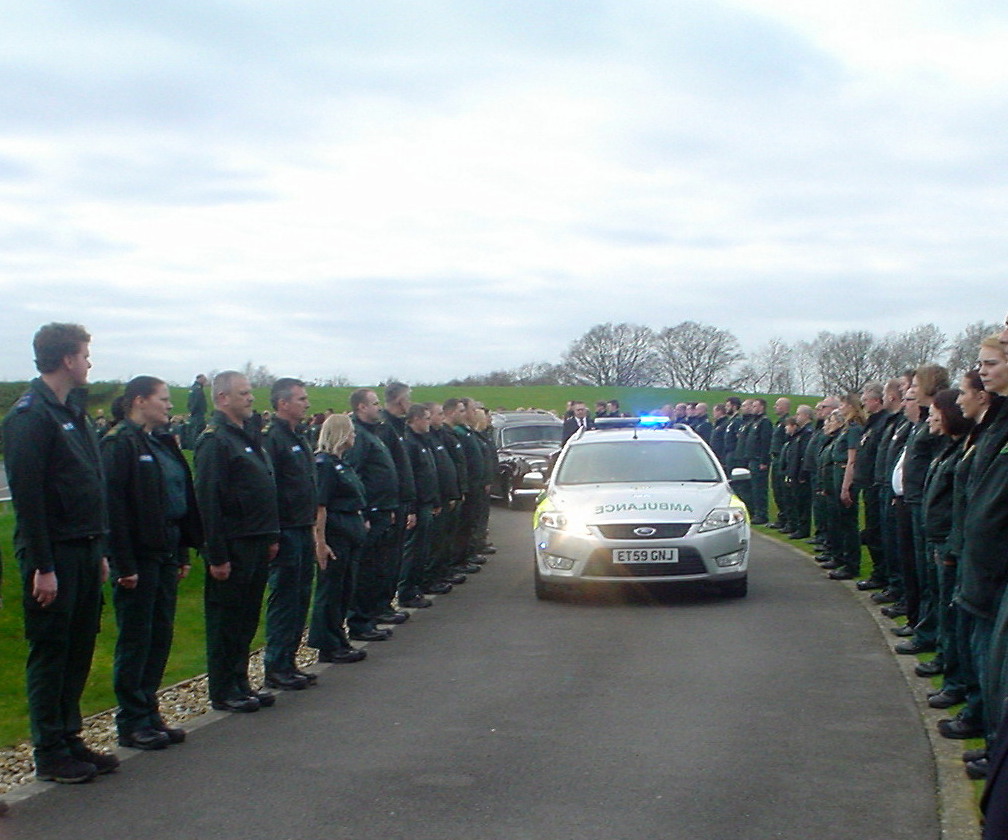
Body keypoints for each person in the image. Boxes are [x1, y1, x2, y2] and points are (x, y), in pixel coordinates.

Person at [2, 323, 120, 782]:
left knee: (78, 648)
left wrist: (101, 549)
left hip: (86, 548)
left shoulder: (71, 413)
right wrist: (44, 567)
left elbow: (88, 485)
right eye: (85, 354)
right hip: (54, 555)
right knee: (52, 651)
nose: (90, 362)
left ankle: (70, 737)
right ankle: (49, 751)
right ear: (67, 359)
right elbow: (29, 501)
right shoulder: (30, 417)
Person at [101, 376, 203, 750]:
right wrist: (124, 563)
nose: (170, 406)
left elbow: (177, 498)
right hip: (138, 557)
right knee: (136, 638)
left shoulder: (159, 442)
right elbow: (114, 508)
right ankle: (131, 720)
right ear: (139, 401)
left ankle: (149, 710)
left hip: (164, 549)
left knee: (159, 635)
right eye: (163, 399)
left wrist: (180, 553)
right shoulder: (119, 444)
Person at [194, 371, 280, 713]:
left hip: (256, 540)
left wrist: (271, 535)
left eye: (250, 393)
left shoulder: (246, 437)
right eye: (243, 393)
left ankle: (240, 681)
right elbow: (208, 501)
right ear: (222, 398)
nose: (250, 398)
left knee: (246, 618)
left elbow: (263, 490)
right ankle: (224, 688)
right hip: (233, 544)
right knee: (226, 621)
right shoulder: (216, 440)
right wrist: (216, 554)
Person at [262, 378, 318, 691]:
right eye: (301, 399)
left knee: (299, 598)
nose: (306, 403)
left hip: (302, 526)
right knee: (284, 599)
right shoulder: (273, 439)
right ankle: (276, 665)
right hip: (285, 529)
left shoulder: (298, 436)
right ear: (283, 403)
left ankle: (289, 661)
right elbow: (270, 488)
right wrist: (274, 532)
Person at [307, 414, 368, 664]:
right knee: (331, 590)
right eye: (351, 431)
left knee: (344, 588)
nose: (354, 435)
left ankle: (337, 636)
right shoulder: (325, 465)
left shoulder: (342, 463)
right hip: (336, 532)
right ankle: (327, 643)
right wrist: (320, 543)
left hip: (350, 530)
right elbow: (320, 507)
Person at [345, 389, 401, 642]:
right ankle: (359, 621)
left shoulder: (373, 434)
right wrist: (364, 511)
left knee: (378, 567)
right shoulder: (359, 436)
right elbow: (355, 476)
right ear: (360, 407)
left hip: (382, 510)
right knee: (366, 571)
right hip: (371, 512)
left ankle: (372, 614)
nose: (379, 408)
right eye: (374, 404)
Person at [768, 398, 791, 529]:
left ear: (784, 407)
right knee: (776, 490)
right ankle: (781, 517)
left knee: (782, 491)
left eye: (777, 405)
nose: (775, 407)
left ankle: (786, 519)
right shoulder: (778, 423)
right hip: (775, 458)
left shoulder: (786, 422)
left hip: (781, 459)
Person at [184, 374, 208, 449]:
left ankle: (191, 445)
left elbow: (189, 402)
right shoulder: (197, 389)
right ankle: (196, 446)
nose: (205, 381)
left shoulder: (192, 388)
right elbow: (196, 401)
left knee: (193, 428)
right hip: (198, 413)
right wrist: (193, 411)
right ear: (199, 379)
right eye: (204, 379)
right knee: (198, 429)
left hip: (194, 412)